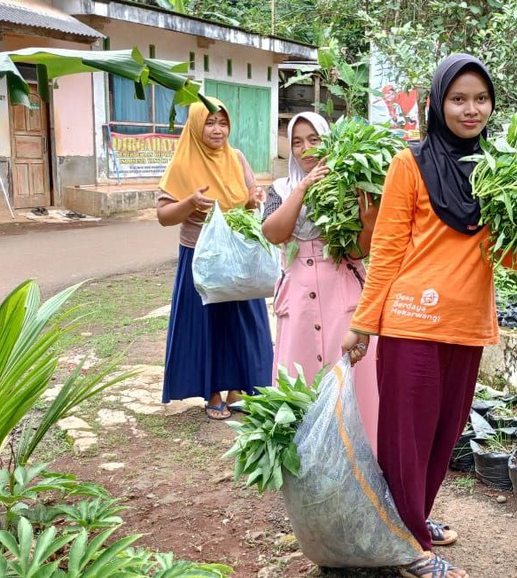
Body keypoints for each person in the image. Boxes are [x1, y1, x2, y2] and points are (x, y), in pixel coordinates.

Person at [341, 54, 517, 578]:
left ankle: (412, 521)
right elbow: (387, 249)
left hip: (466, 325)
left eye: (480, 99)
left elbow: (513, 257)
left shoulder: (500, 170)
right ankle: (408, 549)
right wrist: (363, 322)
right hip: (411, 321)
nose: (470, 109)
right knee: (407, 440)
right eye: (458, 99)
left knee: (442, 436)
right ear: (437, 103)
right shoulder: (410, 163)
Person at [262, 112, 380, 450]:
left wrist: (368, 221)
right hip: (298, 299)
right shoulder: (280, 189)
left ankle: (359, 460)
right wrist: (303, 187)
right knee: (300, 379)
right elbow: (273, 232)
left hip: (341, 295)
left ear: (328, 141)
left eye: (314, 139)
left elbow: (358, 250)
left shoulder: (349, 185)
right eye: (297, 142)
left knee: (351, 379)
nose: (306, 149)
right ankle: (306, 463)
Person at [156, 97, 273, 420]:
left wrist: (255, 199)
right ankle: (212, 391)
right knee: (207, 325)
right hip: (201, 254)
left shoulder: (236, 158)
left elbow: (250, 197)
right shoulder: (183, 163)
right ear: (196, 126)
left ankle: (238, 387)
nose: (217, 129)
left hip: (237, 253)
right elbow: (163, 215)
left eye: (223, 123)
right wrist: (190, 203)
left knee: (240, 322)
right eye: (209, 123)